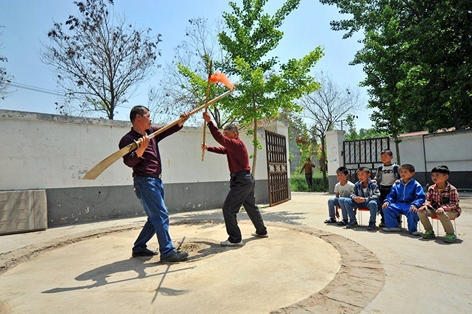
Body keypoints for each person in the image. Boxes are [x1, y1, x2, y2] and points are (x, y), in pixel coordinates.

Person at [119, 105, 189, 263]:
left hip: (156, 180)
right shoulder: (127, 140)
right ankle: (167, 252)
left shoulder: (152, 133)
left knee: (154, 218)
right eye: (148, 116)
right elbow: (129, 162)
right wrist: (140, 150)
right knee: (161, 215)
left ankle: (139, 248)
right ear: (138, 117)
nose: (151, 119)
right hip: (144, 181)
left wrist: (181, 121)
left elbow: (167, 129)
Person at [202, 111, 268, 246]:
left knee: (228, 209)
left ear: (235, 134)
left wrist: (209, 122)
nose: (225, 137)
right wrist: (208, 148)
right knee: (250, 206)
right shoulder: (234, 146)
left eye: (227, 135)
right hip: (247, 179)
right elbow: (223, 149)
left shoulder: (236, 144)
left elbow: (220, 139)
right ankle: (261, 231)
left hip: (241, 181)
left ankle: (235, 239)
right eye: (225, 134)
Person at [416, 165, 461, 243]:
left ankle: (450, 234)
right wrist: (425, 205)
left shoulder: (452, 189)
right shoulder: (431, 188)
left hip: (451, 211)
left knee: (442, 214)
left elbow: (454, 203)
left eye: (437, 175)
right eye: (433, 175)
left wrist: (443, 208)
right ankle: (429, 231)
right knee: (421, 212)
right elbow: (428, 200)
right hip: (435, 209)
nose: (434, 177)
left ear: (445, 177)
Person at [381, 164, 425, 235]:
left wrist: (415, 204)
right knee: (386, 207)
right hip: (398, 204)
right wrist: (387, 201)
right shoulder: (396, 184)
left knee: (413, 210)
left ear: (412, 173)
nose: (402, 174)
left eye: (405, 172)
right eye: (401, 172)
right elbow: (391, 195)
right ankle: (393, 226)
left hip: (410, 204)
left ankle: (412, 229)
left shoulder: (416, 185)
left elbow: (420, 197)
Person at [373, 149, 400, 227]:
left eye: (385, 156)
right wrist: (374, 180)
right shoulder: (380, 168)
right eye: (381, 156)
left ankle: (397, 221)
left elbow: (401, 177)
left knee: (393, 205)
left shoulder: (395, 167)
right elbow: (376, 177)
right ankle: (384, 220)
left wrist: (398, 181)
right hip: (382, 189)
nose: (383, 158)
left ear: (391, 157)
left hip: (392, 189)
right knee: (382, 205)